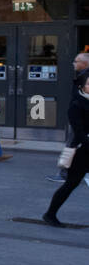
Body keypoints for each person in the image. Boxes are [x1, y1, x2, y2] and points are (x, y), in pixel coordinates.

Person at [44, 69, 89, 226]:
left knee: (71, 184)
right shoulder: (76, 104)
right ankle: (50, 214)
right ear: (82, 86)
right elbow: (79, 132)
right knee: (71, 184)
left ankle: (50, 214)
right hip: (82, 151)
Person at [49, 52, 89, 182]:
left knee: (71, 144)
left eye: (76, 61)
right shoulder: (82, 76)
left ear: (84, 64)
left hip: (81, 119)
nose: (74, 63)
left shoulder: (85, 78)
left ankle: (64, 173)